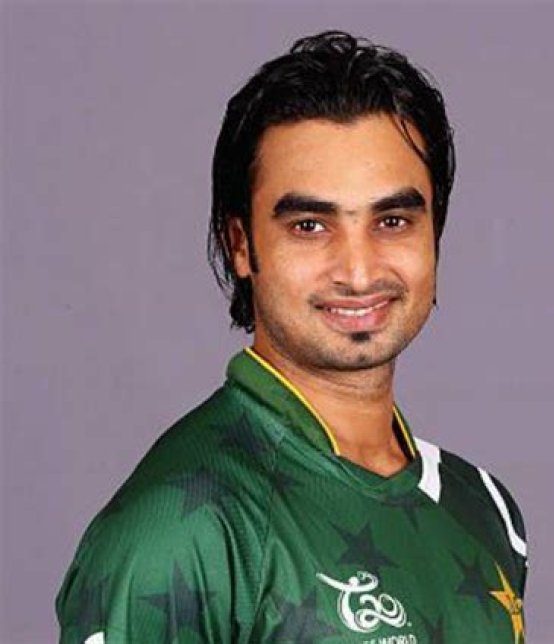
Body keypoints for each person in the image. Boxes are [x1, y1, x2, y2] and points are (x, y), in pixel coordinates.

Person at [56, 31, 528, 643]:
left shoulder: (482, 507)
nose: (358, 271)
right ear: (240, 244)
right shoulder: (181, 531)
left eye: (392, 220)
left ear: (434, 233)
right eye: (309, 225)